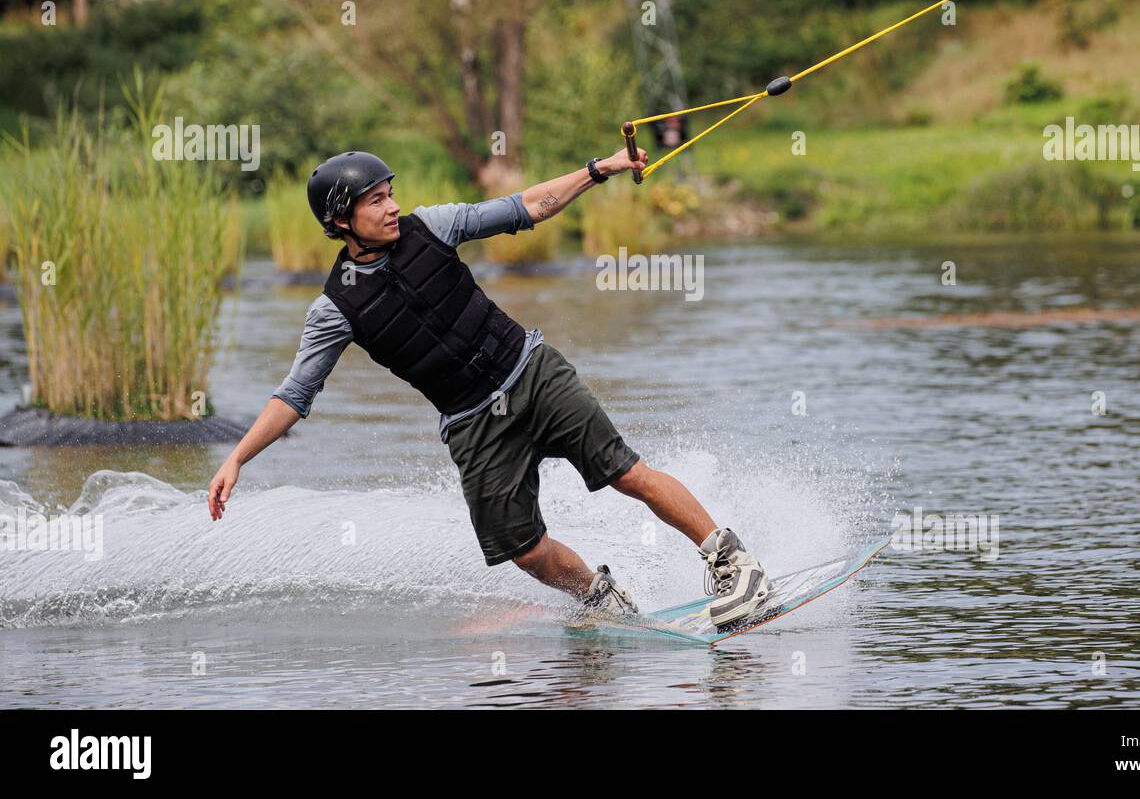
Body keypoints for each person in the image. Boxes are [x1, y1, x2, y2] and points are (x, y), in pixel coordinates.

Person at [206, 149, 769, 627]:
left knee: (624, 472)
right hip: (472, 423)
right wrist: (237, 458)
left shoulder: (434, 226)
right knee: (521, 550)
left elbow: (524, 208)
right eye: (375, 200)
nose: (392, 206)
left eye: (390, 193)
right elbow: (293, 397)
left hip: (530, 372)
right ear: (342, 220)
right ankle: (602, 600)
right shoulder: (335, 309)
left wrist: (597, 170)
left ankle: (734, 564)